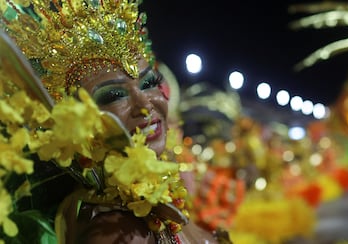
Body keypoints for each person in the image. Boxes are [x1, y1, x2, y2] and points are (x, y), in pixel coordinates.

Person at [0, 0, 231, 243]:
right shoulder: (117, 231)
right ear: (74, 122)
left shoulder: (152, 203)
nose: (145, 104)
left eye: (149, 83)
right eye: (114, 95)